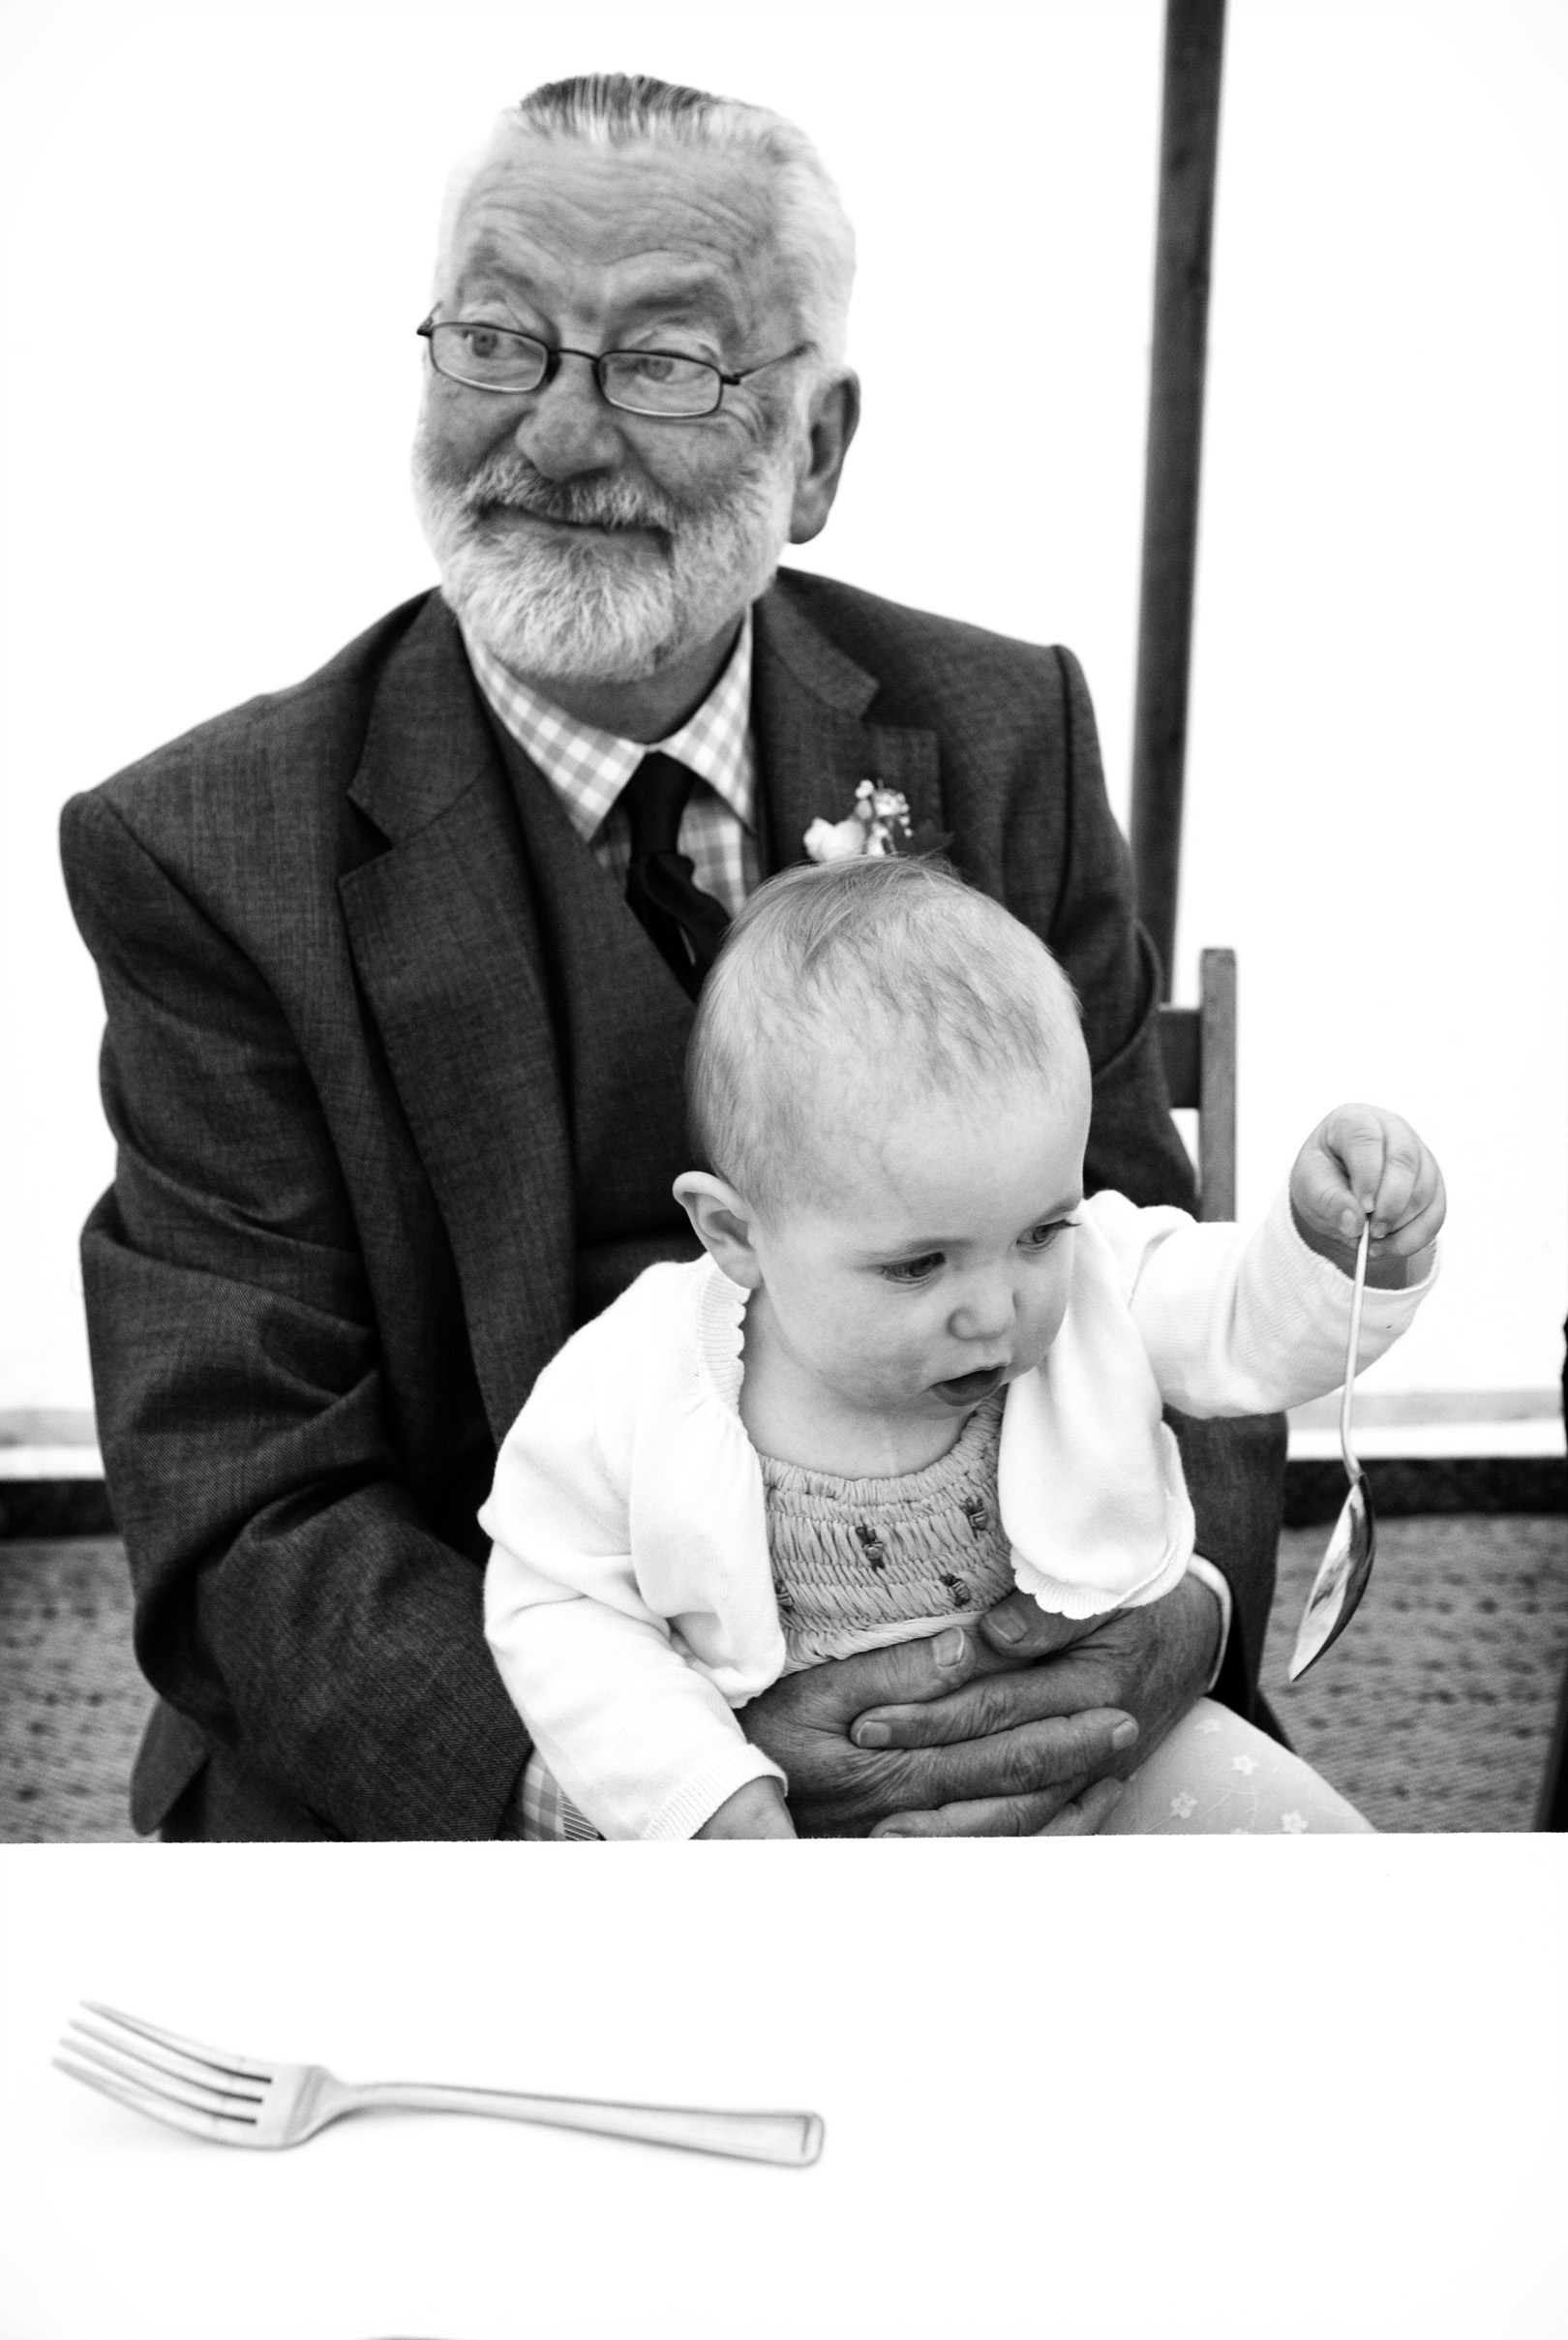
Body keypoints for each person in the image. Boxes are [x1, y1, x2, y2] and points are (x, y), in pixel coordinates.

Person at [65, 73, 1285, 1841]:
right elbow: (245, 1494)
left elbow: (1154, 1277)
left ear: (820, 449)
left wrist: (1169, 1625)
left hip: (1010, 1694)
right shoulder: (205, 852)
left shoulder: (998, 731)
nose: (556, 437)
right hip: (477, 1769)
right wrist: (630, 1788)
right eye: (496, 340)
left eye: (662, 362)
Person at [481, 859, 1443, 1838]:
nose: (994, 1312)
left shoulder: (1100, 1278)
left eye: (1040, 1230)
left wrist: (1333, 1246)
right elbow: (557, 1601)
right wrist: (706, 1795)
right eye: (919, 1264)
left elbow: (1241, 1321)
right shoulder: (636, 1376)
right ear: (735, 1232)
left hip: (1105, 1757)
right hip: (796, 1817)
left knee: (1317, 1856)